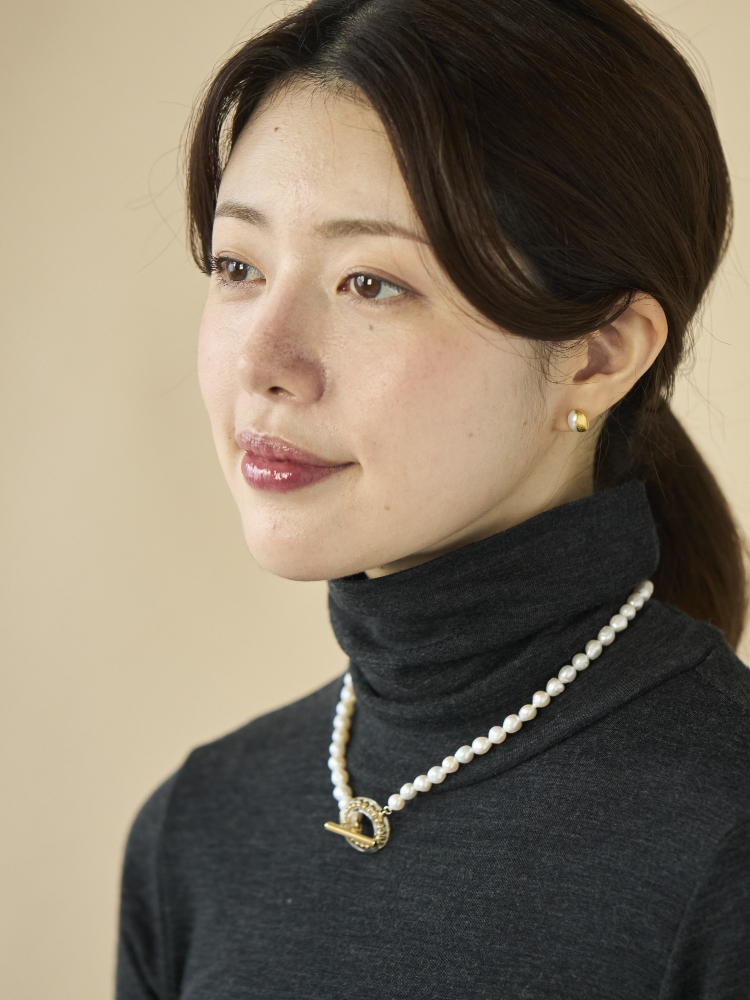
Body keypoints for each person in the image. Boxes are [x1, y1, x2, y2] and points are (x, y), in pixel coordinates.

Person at [117, 0, 750, 996]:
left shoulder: (725, 840)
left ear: (598, 355)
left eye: (370, 283)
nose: (263, 361)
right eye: (239, 266)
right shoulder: (195, 833)